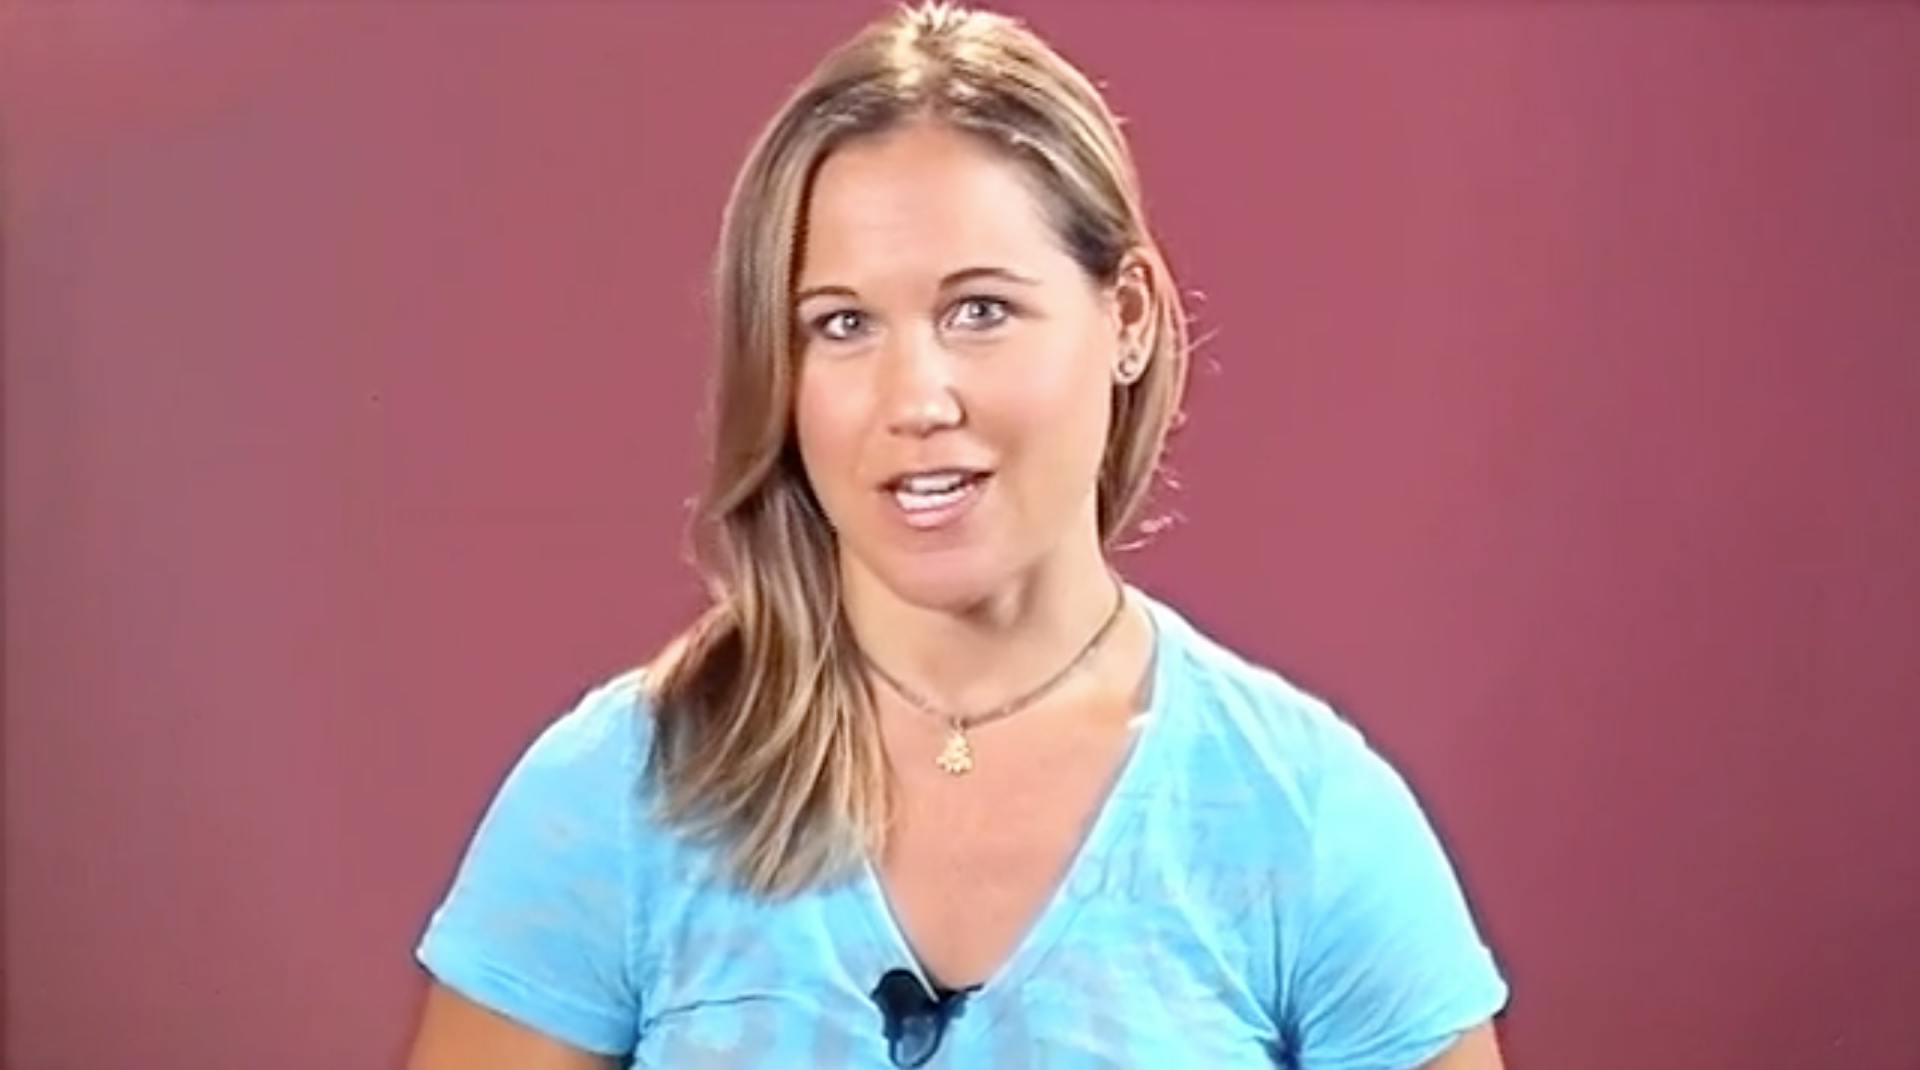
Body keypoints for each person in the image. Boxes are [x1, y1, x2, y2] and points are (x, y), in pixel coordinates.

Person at [405, 3, 1509, 1067]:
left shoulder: (1307, 822)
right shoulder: (617, 794)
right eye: (842, 324)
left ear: (1126, 317)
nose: (915, 399)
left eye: (979, 310)